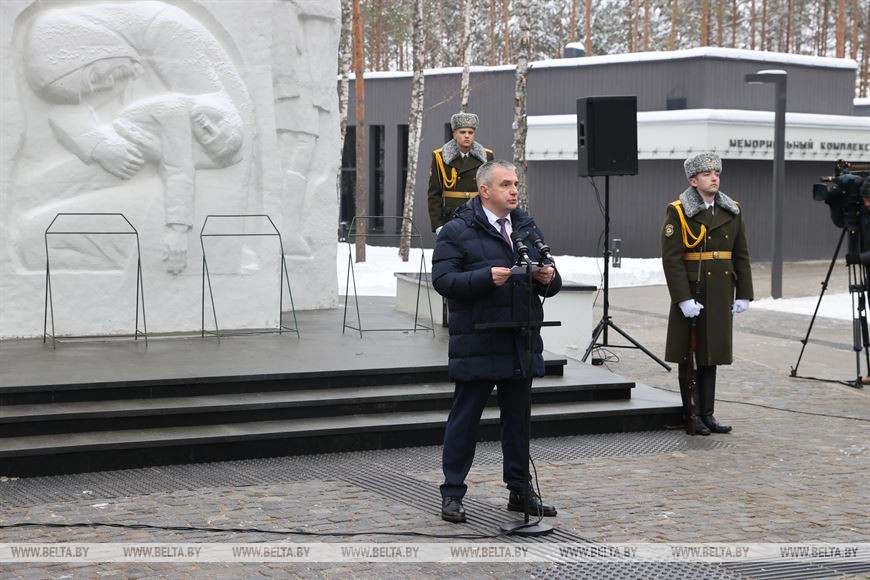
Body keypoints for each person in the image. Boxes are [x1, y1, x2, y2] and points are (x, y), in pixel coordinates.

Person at [432, 159, 561, 523]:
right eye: (505, 184)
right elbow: (443, 281)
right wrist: (485, 277)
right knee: (465, 421)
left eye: (516, 184)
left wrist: (548, 278)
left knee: (518, 422)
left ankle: (520, 492)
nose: (514, 190)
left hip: (519, 339)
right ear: (485, 190)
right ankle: (452, 493)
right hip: (478, 339)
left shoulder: (525, 226)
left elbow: (552, 282)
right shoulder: (457, 230)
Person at [661, 152, 753, 435]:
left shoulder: (732, 210)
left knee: (711, 353)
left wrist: (744, 293)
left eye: (717, 173)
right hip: (694, 289)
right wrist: (683, 299)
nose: (714, 178)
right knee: (689, 354)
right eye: (706, 174)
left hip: (720, 290)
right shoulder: (679, 211)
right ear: (693, 180)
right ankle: (692, 413)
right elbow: (672, 259)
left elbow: (741, 254)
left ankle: (708, 414)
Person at [427, 112, 494, 234]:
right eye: (462, 132)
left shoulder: (486, 156)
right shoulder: (440, 157)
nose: (467, 136)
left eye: (470, 132)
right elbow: (434, 195)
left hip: (478, 215)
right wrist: (438, 225)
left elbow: (491, 191)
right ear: (454, 135)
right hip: (451, 216)